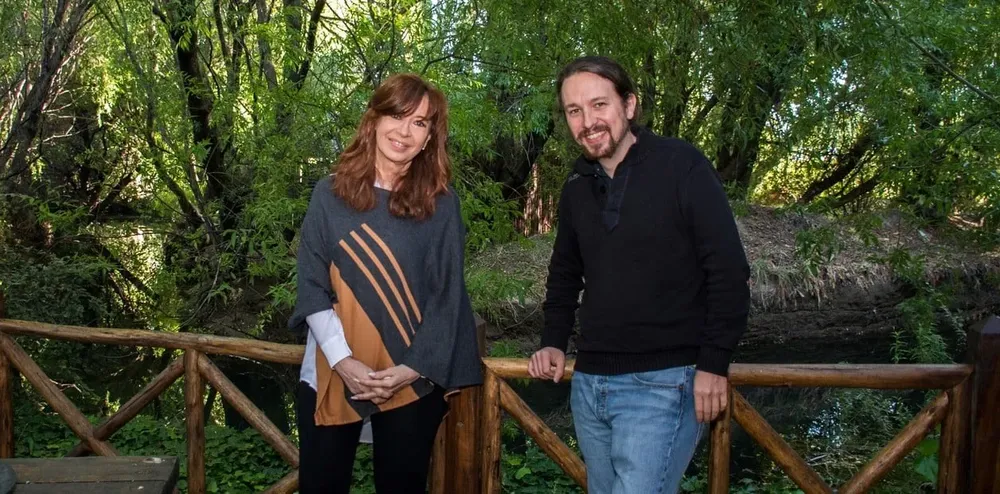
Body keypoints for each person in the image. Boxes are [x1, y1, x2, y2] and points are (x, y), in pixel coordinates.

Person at [528, 56, 751, 493]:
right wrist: (553, 339)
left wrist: (714, 362)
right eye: (574, 111)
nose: (587, 121)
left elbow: (728, 271)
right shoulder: (576, 186)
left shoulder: (681, 165)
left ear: (628, 105)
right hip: (590, 384)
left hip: (664, 384)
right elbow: (565, 273)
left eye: (598, 105)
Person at [289, 73, 482, 494]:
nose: (405, 131)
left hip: (412, 377)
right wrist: (344, 362)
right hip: (331, 373)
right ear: (374, 120)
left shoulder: (442, 204)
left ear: (431, 137)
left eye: (420, 123)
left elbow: (447, 297)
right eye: (397, 116)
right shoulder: (329, 194)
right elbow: (311, 284)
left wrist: (407, 370)